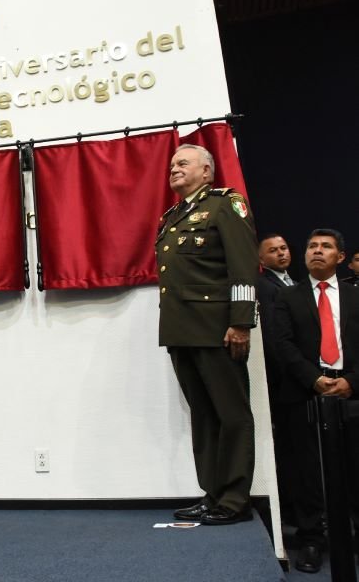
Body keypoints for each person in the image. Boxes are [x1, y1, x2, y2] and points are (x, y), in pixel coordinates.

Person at [155, 144, 258, 525]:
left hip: (218, 330)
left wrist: (241, 322)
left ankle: (234, 500)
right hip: (181, 330)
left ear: (207, 172)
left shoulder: (225, 205)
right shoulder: (172, 217)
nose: (174, 169)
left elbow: (243, 267)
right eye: (172, 165)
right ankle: (213, 493)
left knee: (231, 415)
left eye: (183, 163)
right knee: (203, 416)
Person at [274, 228, 359, 573]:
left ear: (341, 256)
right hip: (304, 392)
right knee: (306, 471)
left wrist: (351, 382)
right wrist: (313, 379)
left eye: (326, 246)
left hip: (352, 391)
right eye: (312, 246)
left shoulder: (355, 295)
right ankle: (311, 538)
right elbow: (282, 344)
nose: (317, 251)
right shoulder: (287, 296)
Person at [255, 234, 297, 521]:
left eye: (283, 248)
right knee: (288, 444)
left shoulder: (294, 282)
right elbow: (272, 335)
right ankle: (291, 508)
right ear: (261, 259)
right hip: (283, 377)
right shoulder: (265, 286)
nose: (281, 253)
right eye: (273, 250)